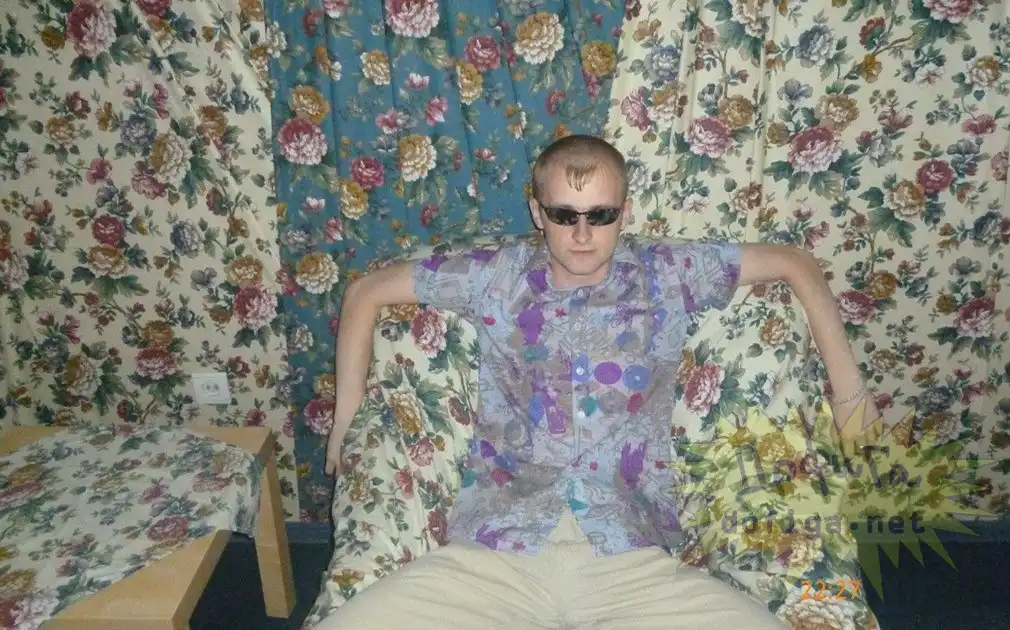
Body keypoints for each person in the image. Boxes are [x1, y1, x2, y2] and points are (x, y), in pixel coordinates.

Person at [321, 135, 881, 629]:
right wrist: (345, 423)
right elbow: (365, 292)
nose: (583, 234)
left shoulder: (668, 271)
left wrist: (851, 396)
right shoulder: (493, 274)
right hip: (494, 554)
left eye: (602, 214)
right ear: (537, 212)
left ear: (625, 211)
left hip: (630, 559)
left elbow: (793, 262)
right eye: (564, 215)